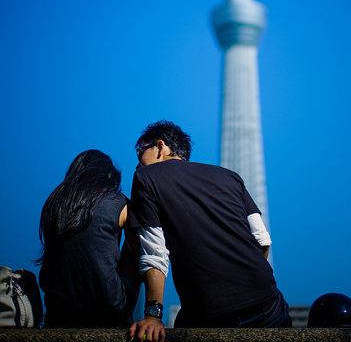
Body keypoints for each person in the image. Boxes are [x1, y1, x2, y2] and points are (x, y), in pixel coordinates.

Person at [128, 120, 292, 341]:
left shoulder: (146, 178)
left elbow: (154, 253)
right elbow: (262, 239)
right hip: (268, 306)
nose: (138, 163)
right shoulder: (229, 176)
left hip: (210, 313)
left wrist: (153, 315)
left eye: (140, 152)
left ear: (160, 147)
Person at [38, 149, 140, 327]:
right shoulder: (118, 201)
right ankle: (128, 321)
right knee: (137, 245)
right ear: (108, 176)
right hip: (109, 307)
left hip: (58, 309)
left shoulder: (53, 203)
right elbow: (142, 249)